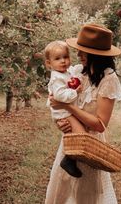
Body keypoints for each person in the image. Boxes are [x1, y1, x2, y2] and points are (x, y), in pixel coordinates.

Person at [45, 23, 121, 204]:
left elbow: (100, 124)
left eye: (82, 51)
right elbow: (54, 98)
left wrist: (69, 108)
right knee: (64, 190)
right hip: (71, 141)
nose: (78, 55)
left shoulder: (108, 79)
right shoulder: (76, 71)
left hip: (90, 146)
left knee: (86, 193)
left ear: (95, 54)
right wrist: (60, 122)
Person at [43, 40, 86, 178]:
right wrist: (76, 92)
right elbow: (60, 96)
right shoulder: (56, 78)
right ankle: (69, 159)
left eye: (65, 57)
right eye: (57, 58)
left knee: (78, 134)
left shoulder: (65, 73)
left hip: (67, 111)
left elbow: (75, 72)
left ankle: (71, 159)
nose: (63, 61)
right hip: (64, 113)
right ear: (49, 63)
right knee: (80, 134)